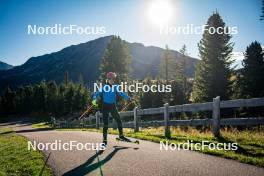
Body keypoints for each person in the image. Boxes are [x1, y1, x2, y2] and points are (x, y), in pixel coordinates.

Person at [92, 72, 131, 146]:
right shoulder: (104, 87)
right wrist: (94, 100)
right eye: (111, 79)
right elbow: (96, 94)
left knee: (119, 120)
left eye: (114, 79)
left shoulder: (116, 86)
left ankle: (121, 136)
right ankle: (104, 140)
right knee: (106, 124)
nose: (112, 80)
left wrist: (128, 98)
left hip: (113, 106)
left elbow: (121, 93)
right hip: (105, 106)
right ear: (107, 79)